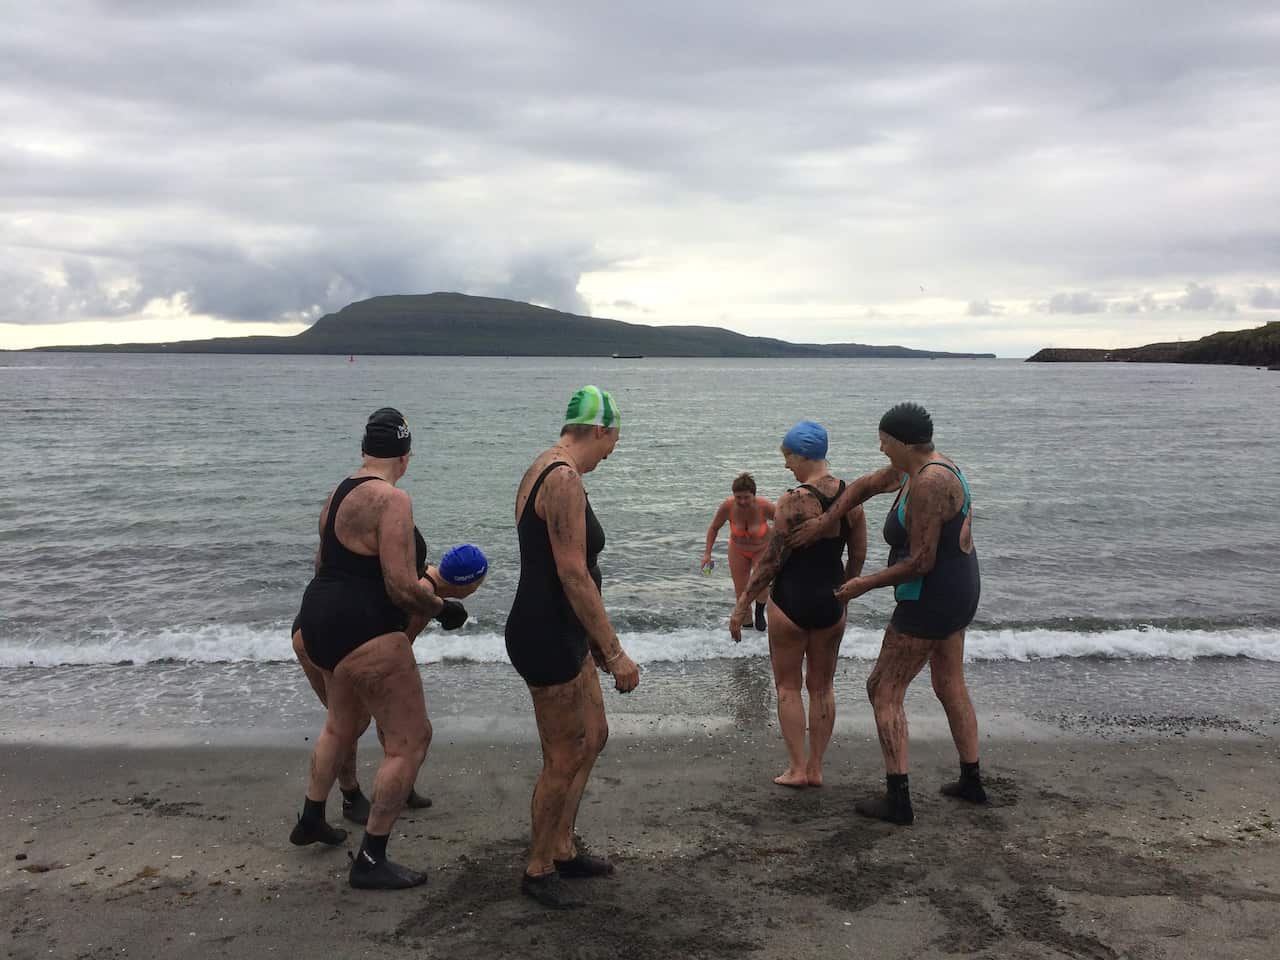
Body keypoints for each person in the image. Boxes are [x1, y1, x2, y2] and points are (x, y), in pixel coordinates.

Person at [288, 407, 469, 889]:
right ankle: (371, 858)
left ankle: (311, 816)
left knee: (340, 724)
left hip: (317, 621)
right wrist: (442, 609)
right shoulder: (393, 500)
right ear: (405, 456)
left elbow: (321, 562)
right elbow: (398, 587)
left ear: (365, 451)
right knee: (411, 740)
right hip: (364, 629)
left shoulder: (337, 493)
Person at [785, 402, 984, 825]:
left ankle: (899, 799)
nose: (879, 448)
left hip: (931, 596)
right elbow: (863, 486)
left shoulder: (929, 482)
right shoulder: (920, 467)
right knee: (949, 682)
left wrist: (862, 584)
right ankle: (972, 780)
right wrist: (827, 522)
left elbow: (920, 562)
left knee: (883, 688)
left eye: (883, 441)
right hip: (962, 588)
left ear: (900, 442)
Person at [505, 386, 641, 909]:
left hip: (565, 631)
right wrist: (615, 651)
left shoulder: (548, 465)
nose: (612, 452)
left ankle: (562, 846)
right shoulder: (563, 479)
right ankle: (538, 869)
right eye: (613, 441)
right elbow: (573, 574)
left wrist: (593, 644)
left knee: (595, 736)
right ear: (600, 431)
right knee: (562, 757)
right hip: (546, 633)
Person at [291, 542, 489, 823]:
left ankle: (399, 785)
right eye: (478, 584)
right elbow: (392, 653)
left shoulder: (419, 576)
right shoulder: (423, 600)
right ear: (467, 585)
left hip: (319, 627)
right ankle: (351, 796)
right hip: (320, 639)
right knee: (349, 723)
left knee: (364, 723)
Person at [729, 421, 866, 788]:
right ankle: (817, 768)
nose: (787, 464)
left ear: (803, 455)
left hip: (790, 602)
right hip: (831, 597)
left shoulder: (792, 500)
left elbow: (771, 561)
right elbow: (859, 552)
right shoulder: (850, 497)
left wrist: (743, 604)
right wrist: (847, 590)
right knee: (822, 687)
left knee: (788, 687)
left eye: (788, 456)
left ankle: (797, 768)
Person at [702, 473, 776, 631]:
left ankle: (760, 611)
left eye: (746, 497)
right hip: (738, 550)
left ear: (753, 495)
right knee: (740, 590)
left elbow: (784, 522)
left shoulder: (764, 506)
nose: (742, 501)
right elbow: (714, 528)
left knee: (760, 583)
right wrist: (707, 554)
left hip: (761, 549)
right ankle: (747, 627)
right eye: (738, 497)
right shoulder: (728, 506)